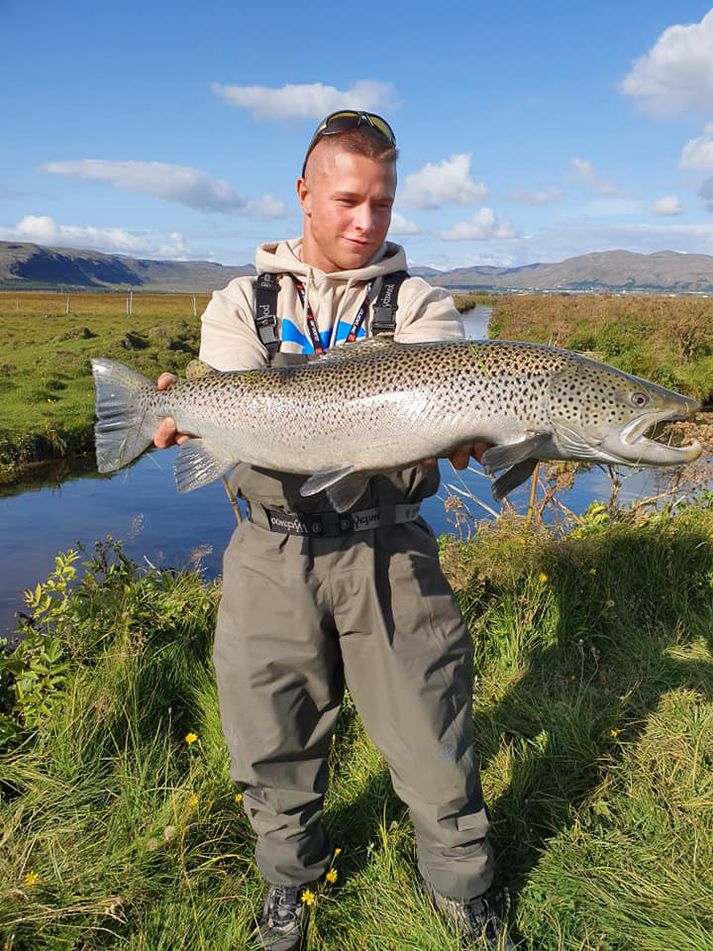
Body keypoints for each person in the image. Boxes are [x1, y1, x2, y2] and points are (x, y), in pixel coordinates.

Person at [154, 111, 513, 951]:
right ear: (304, 195)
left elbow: (432, 421)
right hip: (267, 550)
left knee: (432, 730)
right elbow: (245, 420)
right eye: (348, 200)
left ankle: (462, 888)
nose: (366, 221)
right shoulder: (239, 304)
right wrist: (181, 411)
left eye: (382, 204)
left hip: (389, 548)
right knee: (268, 734)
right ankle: (291, 885)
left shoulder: (422, 304)